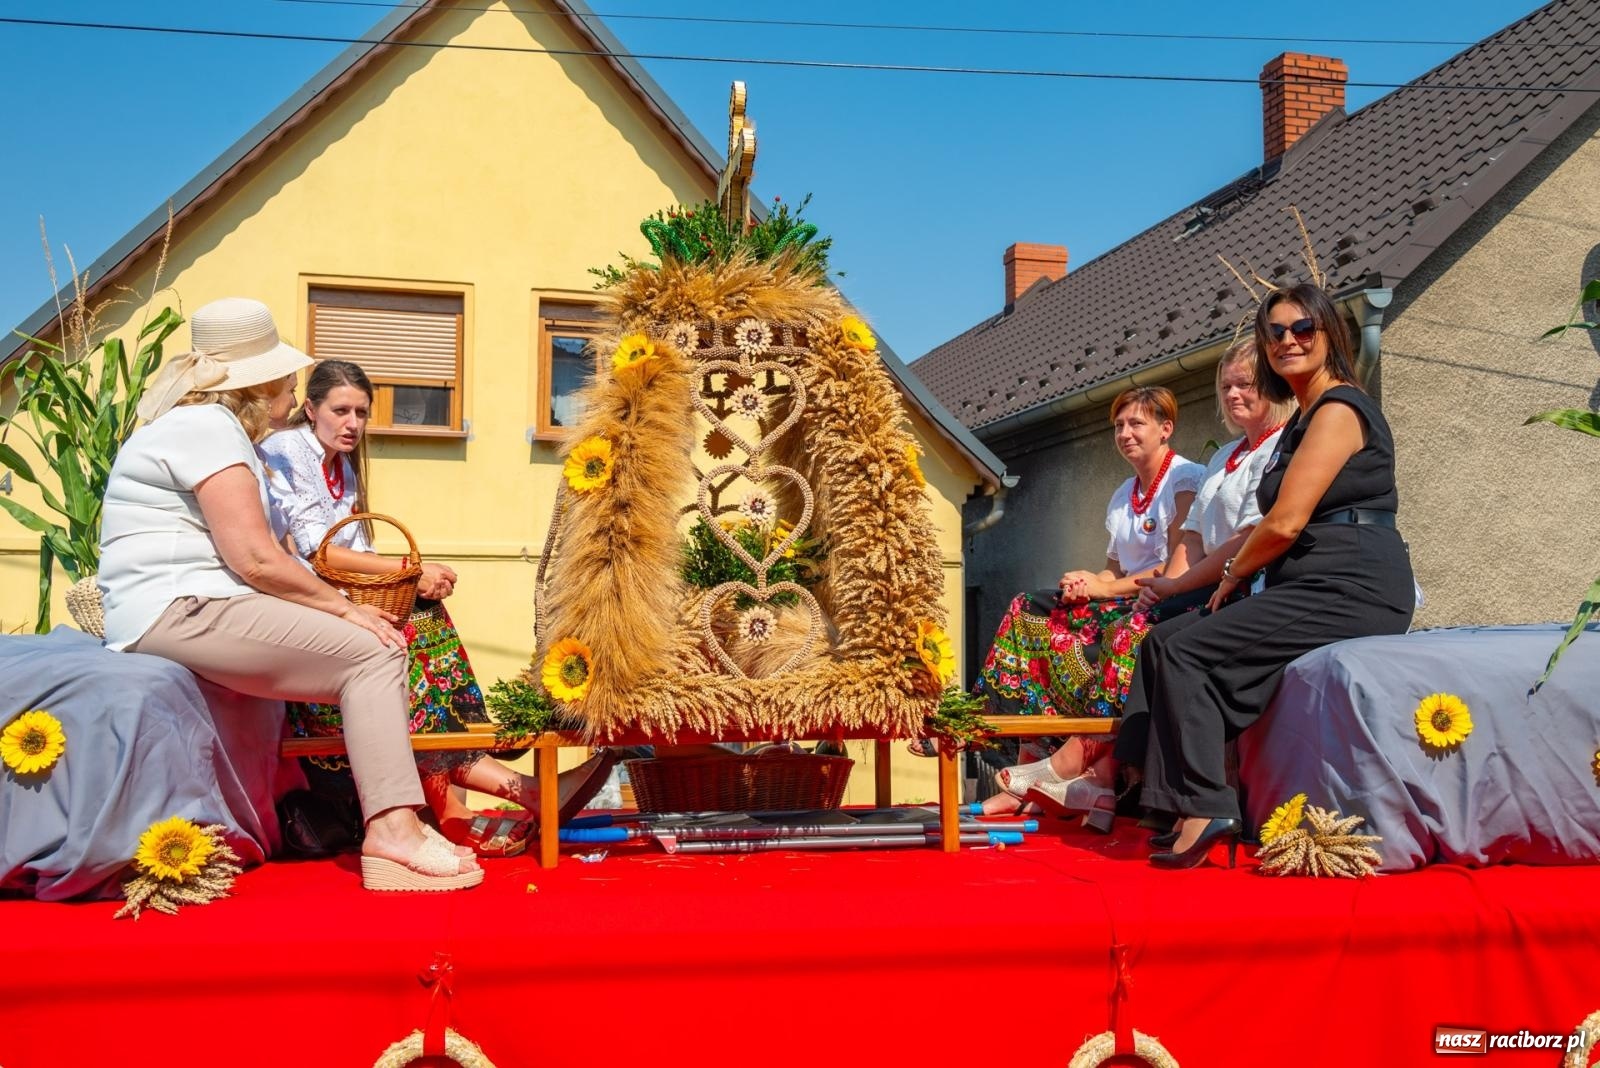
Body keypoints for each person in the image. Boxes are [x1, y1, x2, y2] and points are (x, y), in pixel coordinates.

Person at [99, 297, 481, 892]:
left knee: (373, 643)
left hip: (187, 604)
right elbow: (255, 557)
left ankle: (404, 811)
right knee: (375, 651)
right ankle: (392, 831)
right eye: (285, 380)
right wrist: (343, 607)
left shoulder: (209, 431)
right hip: (182, 608)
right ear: (260, 385)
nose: (288, 393)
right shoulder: (207, 429)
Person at [259, 360, 613, 857]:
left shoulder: (338, 465)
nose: (352, 424)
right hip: (306, 635)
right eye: (340, 411)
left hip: (338, 616)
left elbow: (351, 557)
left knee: (425, 625)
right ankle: (509, 797)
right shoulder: (286, 451)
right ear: (311, 408)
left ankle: (460, 810)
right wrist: (409, 568)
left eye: (361, 412)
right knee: (413, 655)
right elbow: (320, 551)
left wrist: (411, 581)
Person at [1131, 283, 1416, 869]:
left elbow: (1284, 524)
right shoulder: (1299, 422)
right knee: (1164, 640)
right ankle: (1169, 805)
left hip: (1350, 584)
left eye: (1302, 328)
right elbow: (1255, 530)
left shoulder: (1339, 409)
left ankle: (1210, 804)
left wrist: (1234, 577)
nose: (1288, 340)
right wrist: (1190, 583)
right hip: (1308, 580)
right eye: (1275, 332)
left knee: (1191, 653)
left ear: (1330, 335)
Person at [965, 386, 1205, 822]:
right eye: (1119, 425)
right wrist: (1085, 582)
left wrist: (1104, 589)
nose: (1125, 433)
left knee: (1120, 633)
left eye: (1137, 423)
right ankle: (1020, 763)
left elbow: (1176, 569)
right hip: (1127, 599)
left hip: (1169, 603)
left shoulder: (1185, 480)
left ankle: (1085, 769)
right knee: (1028, 609)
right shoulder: (1121, 495)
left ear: (1165, 429)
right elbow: (1112, 571)